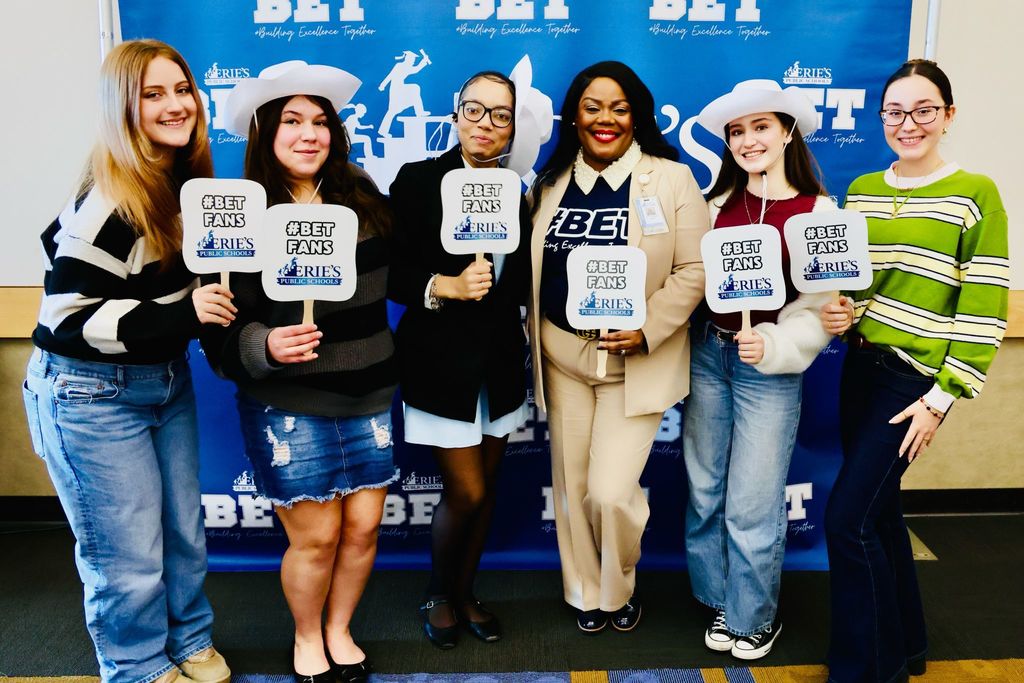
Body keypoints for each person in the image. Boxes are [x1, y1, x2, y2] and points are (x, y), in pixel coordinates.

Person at [21, 39, 233, 683]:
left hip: (161, 379)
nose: (176, 105)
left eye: (181, 89)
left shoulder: (183, 182)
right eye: (153, 94)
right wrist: (185, 315)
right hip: (89, 390)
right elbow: (68, 321)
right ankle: (137, 665)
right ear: (124, 107)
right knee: (126, 553)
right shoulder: (111, 201)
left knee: (182, 534)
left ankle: (189, 638)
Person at [201, 61, 396, 683]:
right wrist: (264, 343)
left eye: (320, 122)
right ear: (264, 134)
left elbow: (417, 263)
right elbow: (217, 333)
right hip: (288, 400)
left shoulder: (363, 194)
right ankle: (307, 637)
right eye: (292, 121)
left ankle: (339, 630)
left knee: (363, 530)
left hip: (369, 391)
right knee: (315, 538)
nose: (309, 134)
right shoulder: (239, 212)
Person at [820, 59, 1009, 682]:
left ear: (948, 116)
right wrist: (845, 312)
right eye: (896, 112)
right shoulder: (864, 190)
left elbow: (984, 306)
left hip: (912, 384)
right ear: (882, 120)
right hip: (861, 368)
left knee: (846, 521)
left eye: (924, 110)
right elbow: (861, 287)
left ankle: (867, 672)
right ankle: (907, 648)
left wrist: (941, 398)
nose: (909, 123)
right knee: (879, 515)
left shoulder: (976, 193)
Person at [528, 61, 708, 634]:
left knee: (609, 492)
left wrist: (649, 327)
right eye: (592, 107)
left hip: (637, 360)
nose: (605, 118)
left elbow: (694, 268)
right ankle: (586, 591)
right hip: (562, 356)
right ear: (574, 117)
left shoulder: (671, 179)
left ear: (638, 117)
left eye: (620, 108)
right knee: (573, 485)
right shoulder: (550, 182)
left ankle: (618, 583)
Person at [684, 80, 836, 660]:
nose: (748, 141)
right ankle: (716, 597)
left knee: (753, 497)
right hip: (708, 355)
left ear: (787, 131)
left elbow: (821, 306)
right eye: (737, 132)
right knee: (703, 486)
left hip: (766, 368)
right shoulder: (713, 204)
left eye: (761, 127)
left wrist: (772, 343)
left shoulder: (817, 210)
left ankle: (752, 616)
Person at [387, 69, 540, 649]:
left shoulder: (518, 191)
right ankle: (436, 591)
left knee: (489, 485)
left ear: (510, 129)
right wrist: (440, 285)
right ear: (456, 115)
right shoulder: (419, 180)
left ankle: (466, 590)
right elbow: (390, 272)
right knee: (467, 492)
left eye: (500, 115)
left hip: (499, 364)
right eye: (474, 110)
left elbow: (523, 281)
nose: (485, 124)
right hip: (439, 364)